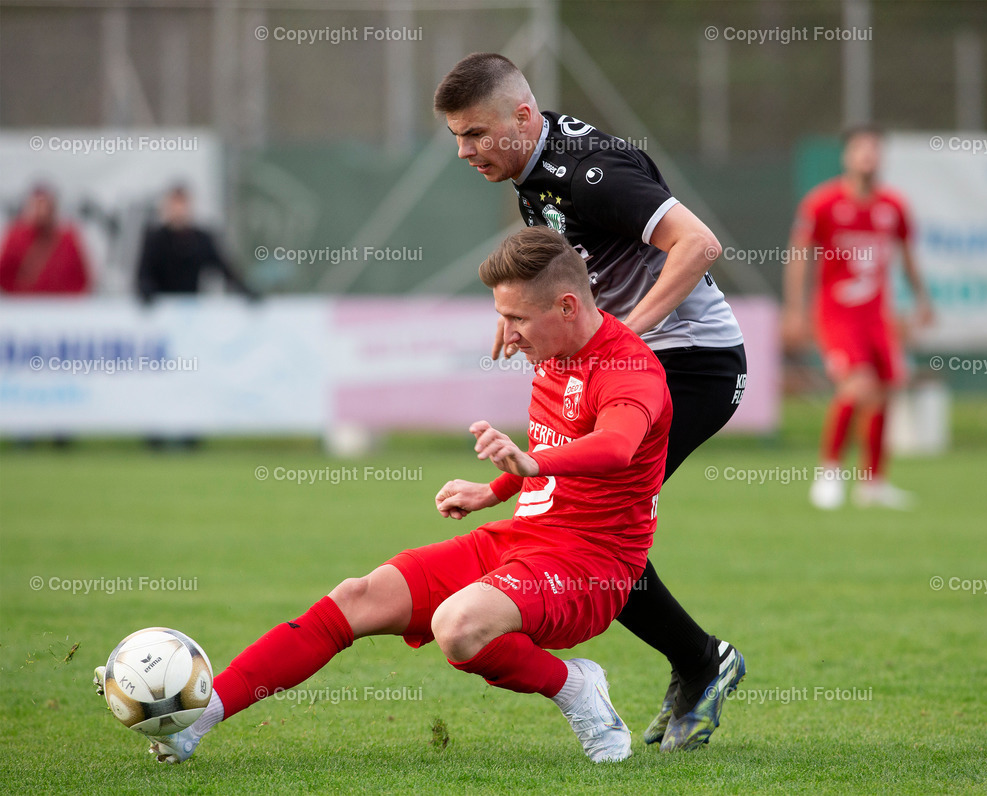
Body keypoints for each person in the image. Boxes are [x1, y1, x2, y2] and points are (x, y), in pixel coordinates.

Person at [99, 226, 690, 764]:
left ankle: (575, 687)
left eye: (517, 319)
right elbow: (556, 444)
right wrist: (495, 489)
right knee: (356, 597)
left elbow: (614, 447)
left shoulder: (629, 370)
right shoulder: (553, 347)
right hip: (522, 541)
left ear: (566, 306)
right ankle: (199, 720)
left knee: (458, 627)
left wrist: (529, 461)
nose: (506, 335)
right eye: (501, 316)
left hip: (592, 565)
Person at [433, 53, 746, 751]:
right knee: (586, 526)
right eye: (457, 136)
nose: (464, 150)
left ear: (522, 117)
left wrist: (622, 338)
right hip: (639, 365)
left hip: (692, 364)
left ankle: (702, 662)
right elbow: (564, 259)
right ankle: (700, 662)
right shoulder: (533, 170)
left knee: (595, 532)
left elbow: (698, 244)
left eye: (476, 133)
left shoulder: (591, 171)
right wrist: (521, 310)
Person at [783, 125, 933, 511]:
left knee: (885, 392)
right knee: (857, 387)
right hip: (837, 315)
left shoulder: (892, 206)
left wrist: (922, 300)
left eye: (874, 149)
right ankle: (829, 473)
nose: (868, 156)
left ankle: (873, 484)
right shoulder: (823, 202)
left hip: (877, 317)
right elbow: (799, 257)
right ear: (846, 156)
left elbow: (907, 257)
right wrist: (795, 310)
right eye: (860, 149)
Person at [136, 185, 257, 303]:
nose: (179, 212)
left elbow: (225, 269)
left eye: (182, 206)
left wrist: (245, 290)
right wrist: (147, 292)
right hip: (162, 310)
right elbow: (144, 275)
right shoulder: (155, 240)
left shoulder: (202, 240)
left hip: (192, 309)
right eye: (175, 206)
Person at [0, 184, 91, 295]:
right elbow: (4, 275)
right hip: (23, 307)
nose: (42, 212)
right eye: (37, 206)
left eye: (45, 206)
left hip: (59, 307)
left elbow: (80, 278)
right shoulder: (15, 236)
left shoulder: (67, 238)